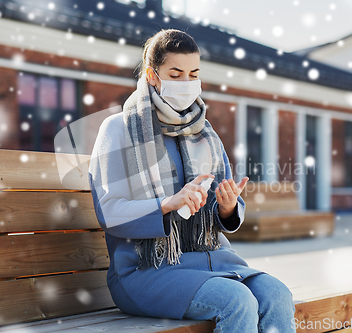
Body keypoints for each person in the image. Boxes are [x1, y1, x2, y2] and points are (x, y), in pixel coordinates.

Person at [88, 28, 296, 333]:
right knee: (237, 301)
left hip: (212, 262)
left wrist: (226, 207)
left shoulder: (204, 133)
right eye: (175, 74)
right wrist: (167, 204)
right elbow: (110, 211)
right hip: (146, 270)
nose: (186, 83)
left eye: (193, 74)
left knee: (277, 294)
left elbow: (217, 212)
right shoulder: (118, 129)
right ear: (152, 75)